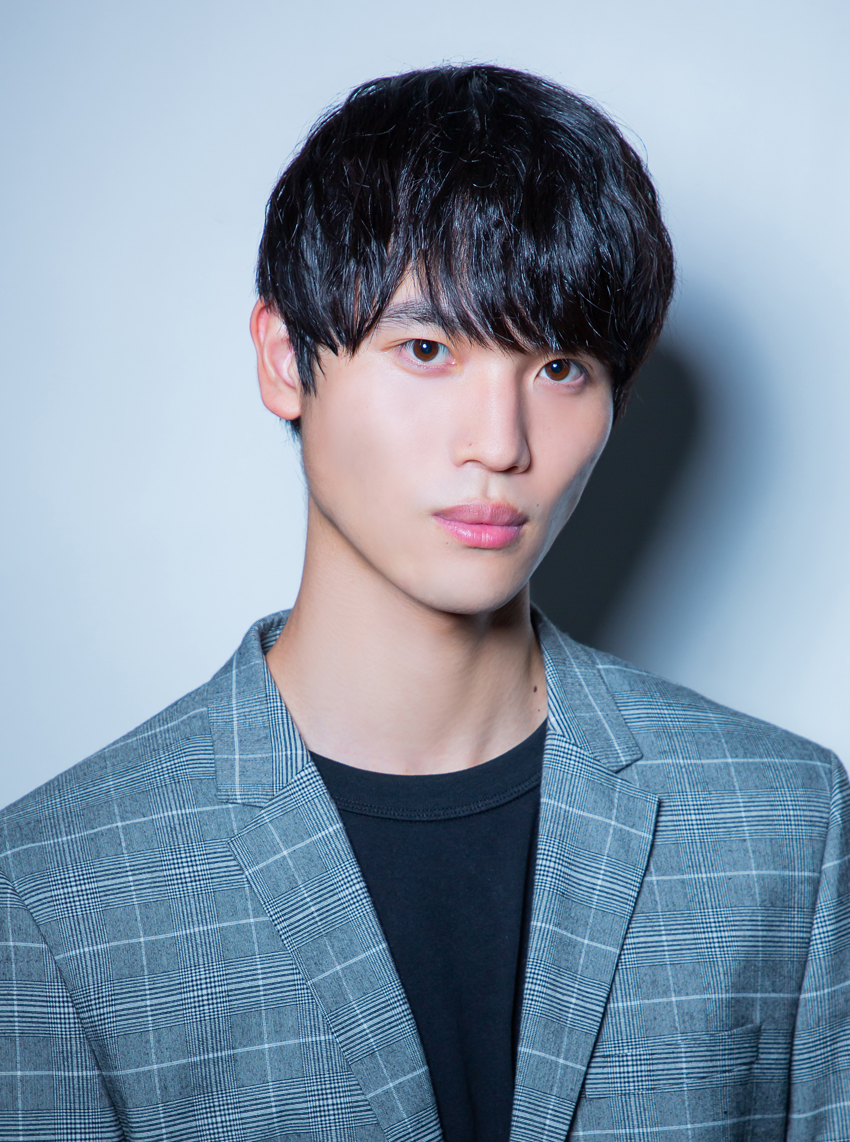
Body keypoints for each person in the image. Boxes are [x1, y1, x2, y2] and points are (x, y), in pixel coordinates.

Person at [0, 64, 847, 1142]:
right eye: (427, 349)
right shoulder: (57, 888)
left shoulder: (783, 824)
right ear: (285, 359)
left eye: (559, 366)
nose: (499, 442)